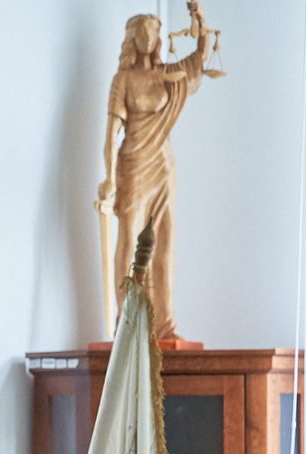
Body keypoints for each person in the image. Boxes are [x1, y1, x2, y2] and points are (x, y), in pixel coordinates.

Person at [96, 1, 212, 341]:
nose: (148, 38)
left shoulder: (168, 75)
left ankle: (164, 326)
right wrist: (109, 176)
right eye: (142, 32)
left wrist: (200, 18)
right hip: (133, 166)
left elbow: (201, 55)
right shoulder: (123, 80)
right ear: (132, 38)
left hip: (163, 166)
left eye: (153, 32)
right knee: (130, 240)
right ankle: (128, 322)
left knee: (164, 243)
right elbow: (111, 135)